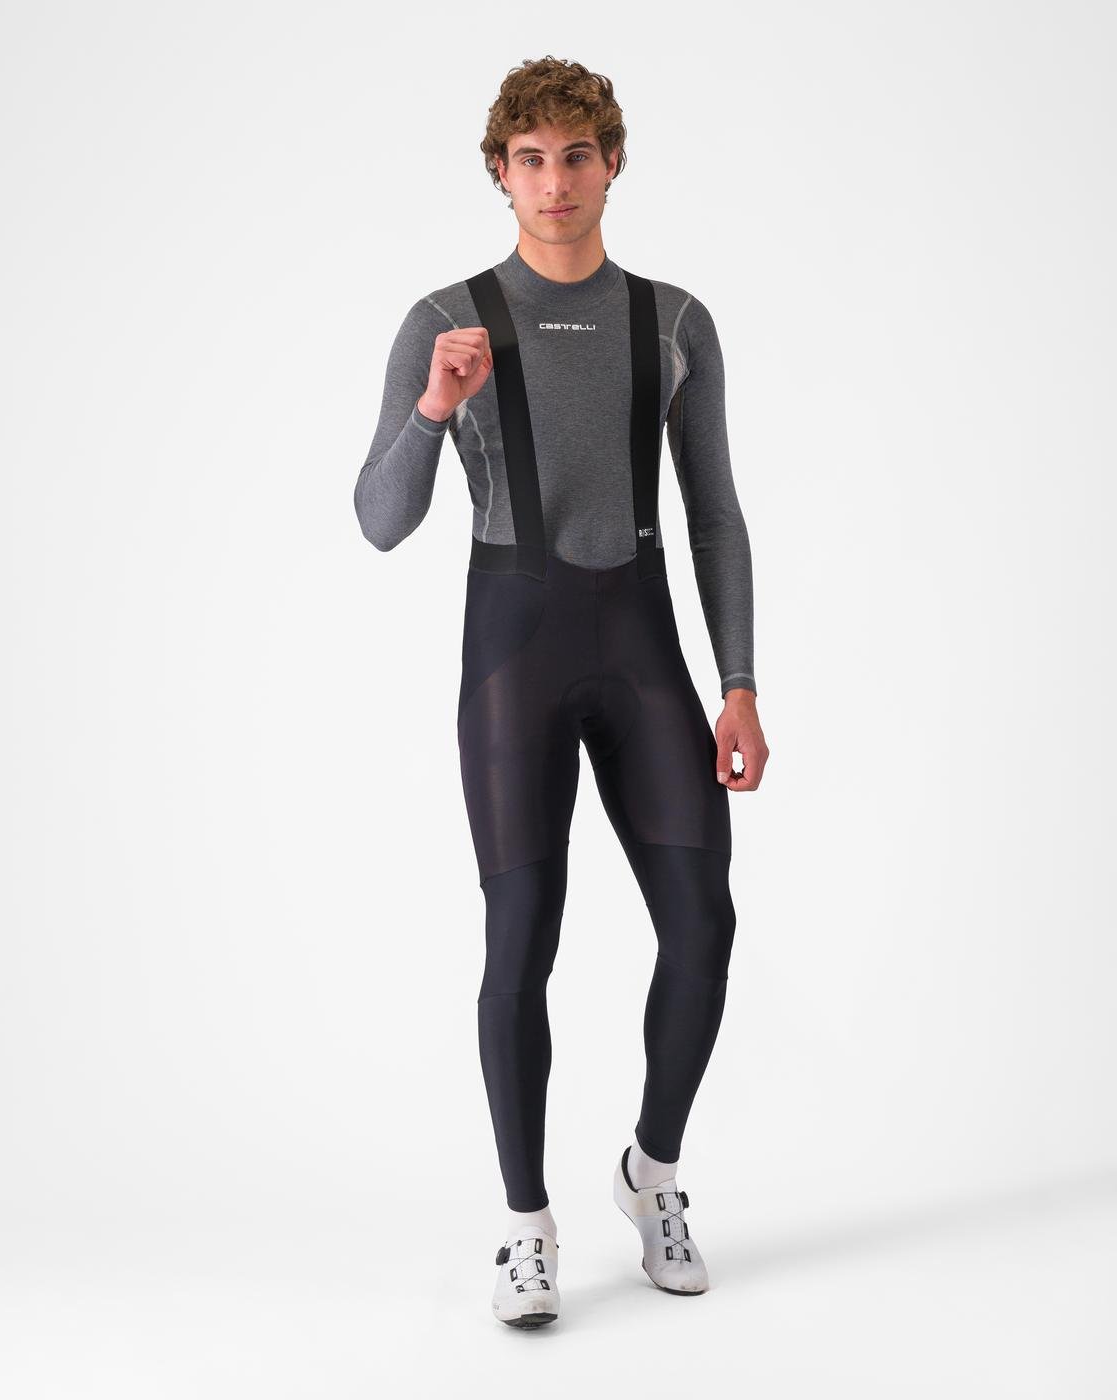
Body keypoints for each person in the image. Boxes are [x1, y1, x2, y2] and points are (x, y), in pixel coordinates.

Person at [355, 55, 769, 1327]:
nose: (553, 182)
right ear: (499, 171)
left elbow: (713, 513)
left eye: (575, 156)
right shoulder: (447, 318)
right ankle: (525, 1225)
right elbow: (379, 519)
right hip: (514, 651)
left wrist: (739, 682)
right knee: (519, 937)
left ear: (611, 163)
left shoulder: (673, 320)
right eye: (529, 159)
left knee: (702, 924)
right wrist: (432, 409)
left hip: (642, 645)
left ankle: (651, 1172)